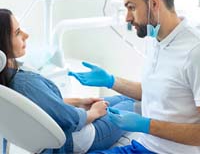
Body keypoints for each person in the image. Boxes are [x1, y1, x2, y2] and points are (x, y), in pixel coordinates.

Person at [68, 0, 200, 154]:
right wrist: (110, 80)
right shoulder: (157, 38)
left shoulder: (194, 51)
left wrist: (146, 125)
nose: (127, 18)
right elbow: (158, 92)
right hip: (142, 146)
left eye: (131, 7)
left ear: (154, 3)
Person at [0, 8, 136, 154]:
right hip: (78, 139)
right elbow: (68, 119)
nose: (26, 35)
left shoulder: (6, 78)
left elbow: (44, 106)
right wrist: (94, 113)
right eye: (17, 32)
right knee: (133, 103)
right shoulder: (25, 83)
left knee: (125, 98)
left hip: (67, 132)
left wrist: (80, 101)